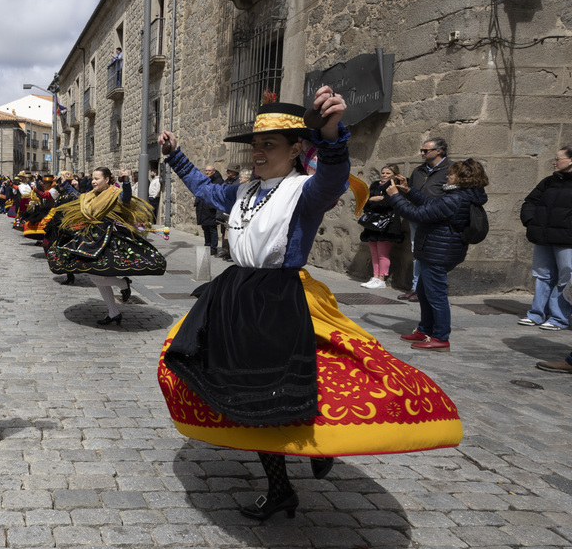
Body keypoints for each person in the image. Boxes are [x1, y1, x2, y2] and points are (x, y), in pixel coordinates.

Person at [156, 90, 463, 521]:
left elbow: (335, 178)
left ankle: (317, 443)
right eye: (257, 145)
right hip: (237, 298)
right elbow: (206, 189)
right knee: (243, 388)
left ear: (296, 148)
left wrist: (331, 133)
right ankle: (283, 486)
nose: (259, 153)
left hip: (281, 299)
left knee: (290, 385)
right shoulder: (244, 191)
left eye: (271, 145)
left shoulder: (305, 192)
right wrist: (175, 156)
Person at [385, 158, 488, 351]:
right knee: (424, 293)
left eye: (452, 173)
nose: (447, 176)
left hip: (439, 252)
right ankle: (425, 330)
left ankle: (440, 337)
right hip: (435, 250)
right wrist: (409, 192)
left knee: (436, 296)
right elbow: (432, 205)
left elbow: (418, 214)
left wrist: (395, 197)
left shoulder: (456, 198)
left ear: (462, 178)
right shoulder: (458, 196)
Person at [46, 166, 164, 325]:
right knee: (97, 275)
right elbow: (77, 197)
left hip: (108, 241)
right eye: (93, 179)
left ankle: (122, 285)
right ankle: (114, 310)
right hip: (91, 240)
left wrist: (126, 181)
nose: (93, 182)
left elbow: (126, 198)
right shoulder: (90, 196)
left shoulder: (114, 194)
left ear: (106, 180)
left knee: (97, 275)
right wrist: (64, 185)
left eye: (97, 179)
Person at [518, 145, 572, 331]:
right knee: (542, 275)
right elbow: (530, 202)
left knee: (566, 278)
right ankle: (537, 314)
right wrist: (531, 222)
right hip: (543, 236)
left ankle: (559, 318)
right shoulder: (549, 181)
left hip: (567, 239)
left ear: (571, 161)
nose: (554, 162)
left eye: (559, 158)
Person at [399, 138, 451, 302]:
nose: (422, 153)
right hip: (418, 215)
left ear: (439, 151)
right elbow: (412, 191)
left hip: (437, 218)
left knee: (433, 255)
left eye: (425, 150)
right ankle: (416, 288)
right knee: (417, 253)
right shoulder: (419, 171)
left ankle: (427, 289)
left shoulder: (451, 169)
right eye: (421, 150)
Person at [358, 164, 405, 288]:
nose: (384, 175)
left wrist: (373, 201)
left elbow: (387, 204)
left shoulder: (395, 187)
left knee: (383, 253)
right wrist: (373, 199)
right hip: (372, 224)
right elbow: (365, 203)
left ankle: (382, 279)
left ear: (394, 175)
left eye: (388, 173)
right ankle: (375, 276)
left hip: (387, 224)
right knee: (374, 252)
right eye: (383, 173)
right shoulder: (374, 185)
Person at [195, 164, 223, 256]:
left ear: (214, 171)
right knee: (205, 228)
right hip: (202, 207)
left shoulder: (218, 181)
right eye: (206, 171)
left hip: (211, 208)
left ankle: (213, 248)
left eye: (209, 171)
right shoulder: (204, 179)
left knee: (212, 228)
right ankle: (207, 245)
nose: (207, 172)